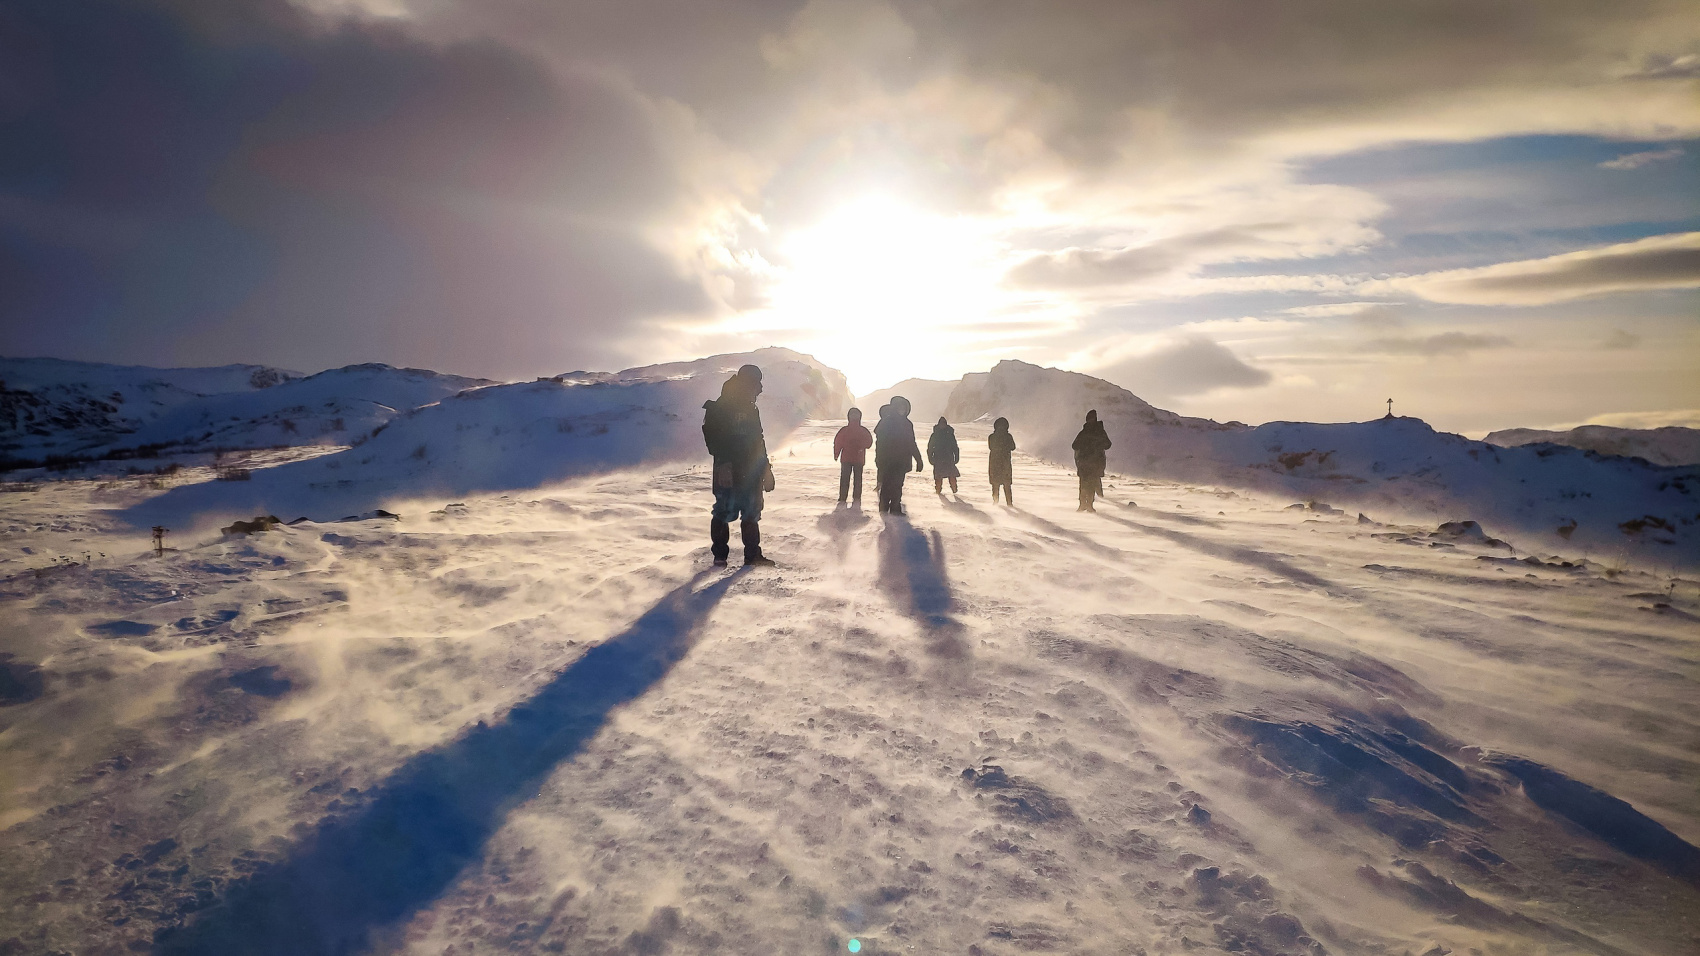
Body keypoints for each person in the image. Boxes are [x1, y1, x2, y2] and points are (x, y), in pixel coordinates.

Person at [701, 364, 776, 566]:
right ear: (747, 383)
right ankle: (719, 557)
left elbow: (758, 440)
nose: (759, 389)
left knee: (751, 510)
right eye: (756, 384)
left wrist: (765, 468)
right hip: (729, 468)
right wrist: (724, 463)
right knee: (723, 510)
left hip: (750, 469)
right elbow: (714, 438)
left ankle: (752, 555)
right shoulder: (722, 407)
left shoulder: (751, 408)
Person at [874, 395, 923, 515]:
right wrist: (879, 459)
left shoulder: (907, 424)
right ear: (894, 408)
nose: (902, 410)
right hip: (887, 460)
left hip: (901, 461)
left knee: (898, 485)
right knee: (886, 484)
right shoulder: (886, 422)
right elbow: (880, 443)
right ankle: (884, 508)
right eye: (900, 407)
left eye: (904, 408)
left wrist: (918, 459)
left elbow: (911, 443)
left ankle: (895, 508)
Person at [1071, 409, 1111, 512]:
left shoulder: (1094, 432)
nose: (1090, 420)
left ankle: (1087, 505)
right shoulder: (1089, 432)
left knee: (1088, 484)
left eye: (1091, 418)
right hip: (1088, 463)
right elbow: (1074, 445)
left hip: (1091, 463)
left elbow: (1107, 444)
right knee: (1086, 484)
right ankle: (1084, 505)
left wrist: (1092, 446)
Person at [833, 407, 873, 505]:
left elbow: (838, 442)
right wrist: (861, 446)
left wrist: (836, 454)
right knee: (856, 479)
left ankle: (843, 498)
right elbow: (869, 443)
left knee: (846, 479)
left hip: (848, 459)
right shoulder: (863, 430)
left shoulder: (845, 430)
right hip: (857, 459)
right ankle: (856, 498)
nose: (854, 417)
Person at [927, 416, 961, 494]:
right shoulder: (935, 435)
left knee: (952, 475)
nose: (942, 425)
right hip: (938, 458)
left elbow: (955, 447)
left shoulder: (950, 434)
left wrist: (957, 456)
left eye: (943, 424)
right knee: (938, 477)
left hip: (949, 458)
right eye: (941, 424)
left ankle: (954, 488)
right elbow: (930, 447)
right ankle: (938, 489)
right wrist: (930, 458)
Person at [987, 417, 1015, 505]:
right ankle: (1009, 503)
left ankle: (995, 501)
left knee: (995, 483)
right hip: (1005, 461)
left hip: (994, 461)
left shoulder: (992, 437)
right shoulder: (1008, 436)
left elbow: (990, 447)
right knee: (1007, 484)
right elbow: (1013, 447)